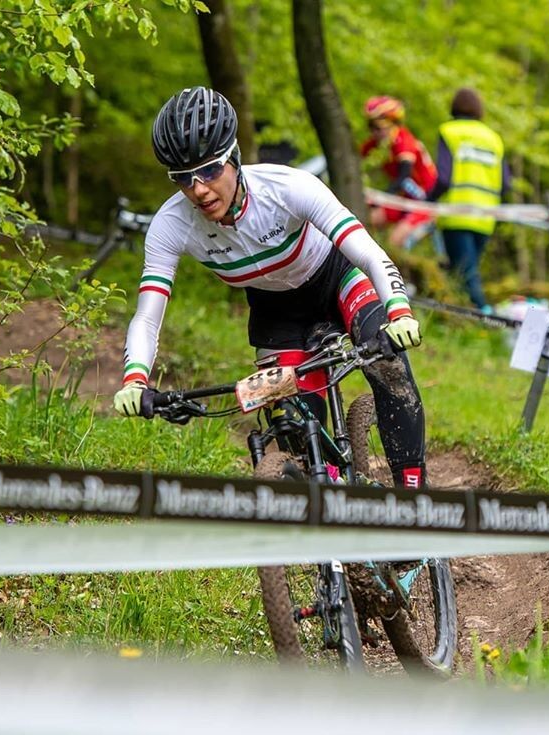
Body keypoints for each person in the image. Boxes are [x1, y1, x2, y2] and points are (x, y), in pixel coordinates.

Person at [113, 87, 428, 488]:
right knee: (292, 424)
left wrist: (398, 310)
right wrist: (135, 379)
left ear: (235, 158)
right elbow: (147, 315)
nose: (199, 189)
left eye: (210, 170)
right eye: (182, 178)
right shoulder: (171, 224)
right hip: (276, 311)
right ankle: (331, 493)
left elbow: (366, 250)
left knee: (388, 366)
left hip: (338, 279)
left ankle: (414, 502)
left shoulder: (287, 187)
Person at [428, 87, 509, 313]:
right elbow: (506, 183)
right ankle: (459, 318)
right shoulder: (494, 139)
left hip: (457, 214)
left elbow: (444, 177)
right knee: (463, 271)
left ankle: (488, 317)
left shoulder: (450, 131)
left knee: (466, 273)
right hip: (486, 217)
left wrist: (428, 199)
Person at [360, 95, 438, 249]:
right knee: (365, 220)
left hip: (423, 203)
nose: (373, 133)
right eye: (370, 127)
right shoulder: (377, 143)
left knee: (394, 242)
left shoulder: (404, 141)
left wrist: (378, 199)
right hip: (403, 201)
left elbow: (403, 177)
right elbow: (354, 160)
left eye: (377, 127)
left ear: (392, 125)